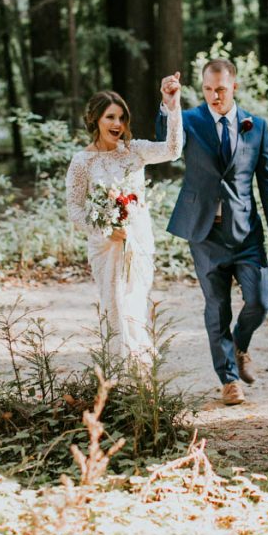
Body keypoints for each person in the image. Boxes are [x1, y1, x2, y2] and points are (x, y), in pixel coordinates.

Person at [157, 58, 268, 405]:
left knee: (259, 301)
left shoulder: (255, 125)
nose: (215, 96)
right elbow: (164, 143)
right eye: (209, 90)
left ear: (235, 88)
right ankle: (229, 379)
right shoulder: (188, 121)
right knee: (216, 307)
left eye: (222, 89)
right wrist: (169, 105)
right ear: (202, 89)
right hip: (205, 232)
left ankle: (239, 344)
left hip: (246, 232)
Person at [66, 77, 182, 361]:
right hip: (106, 248)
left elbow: (173, 150)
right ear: (95, 120)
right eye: (110, 117)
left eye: (121, 117)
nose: (117, 124)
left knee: (134, 307)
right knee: (115, 307)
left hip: (138, 243)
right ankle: (120, 377)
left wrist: (173, 106)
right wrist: (105, 231)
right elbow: (75, 210)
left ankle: (139, 377)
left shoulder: (135, 151)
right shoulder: (82, 162)